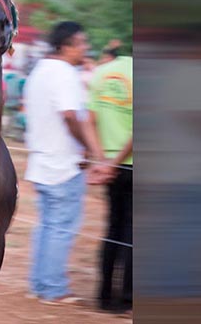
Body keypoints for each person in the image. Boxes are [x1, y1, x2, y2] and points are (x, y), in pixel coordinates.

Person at [24, 22, 106, 304]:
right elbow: (70, 115)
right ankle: (52, 288)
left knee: (47, 225)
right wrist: (88, 148)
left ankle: (39, 283)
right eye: (81, 43)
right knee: (60, 227)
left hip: (41, 162)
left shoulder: (39, 70)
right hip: (63, 164)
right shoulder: (64, 73)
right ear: (66, 46)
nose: (85, 48)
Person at [86, 53, 133, 313]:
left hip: (109, 166)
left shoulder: (102, 72)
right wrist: (115, 163)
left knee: (113, 228)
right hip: (131, 164)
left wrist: (103, 160)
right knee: (131, 232)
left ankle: (104, 297)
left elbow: (90, 120)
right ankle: (126, 299)